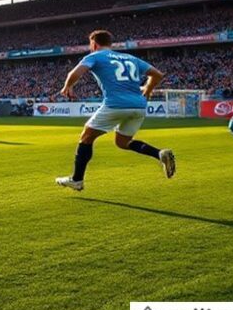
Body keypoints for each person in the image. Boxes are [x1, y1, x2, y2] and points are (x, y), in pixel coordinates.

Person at [56, 30, 175, 191]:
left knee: (86, 137)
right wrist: (147, 89)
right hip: (139, 106)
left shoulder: (95, 56)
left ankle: (77, 180)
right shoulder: (130, 58)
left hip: (116, 104)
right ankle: (160, 154)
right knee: (122, 142)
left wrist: (67, 86)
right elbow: (158, 75)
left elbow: (75, 72)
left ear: (94, 44)